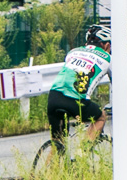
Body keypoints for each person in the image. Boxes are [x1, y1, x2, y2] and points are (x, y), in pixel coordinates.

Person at [47, 24, 112, 157]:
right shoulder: (108, 58)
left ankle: (45, 176)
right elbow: (119, 84)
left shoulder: (73, 51)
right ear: (105, 45)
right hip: (76, 100)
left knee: (58, 143)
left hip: (54, 97)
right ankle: (80, 155)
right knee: (101, 117)